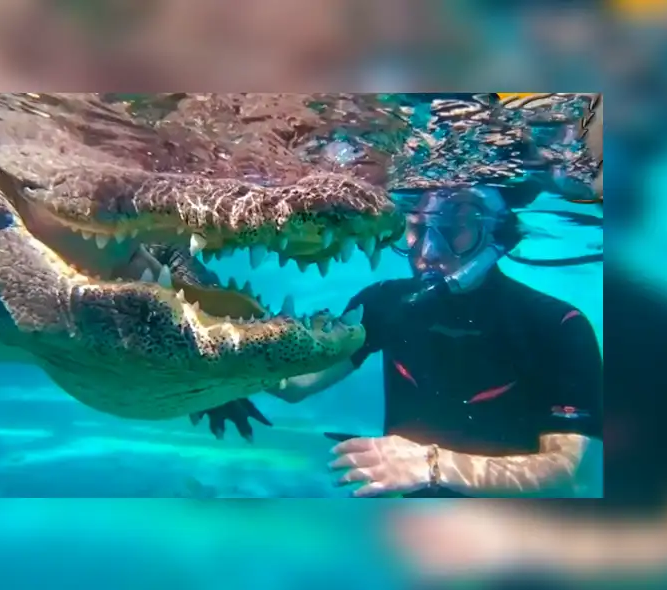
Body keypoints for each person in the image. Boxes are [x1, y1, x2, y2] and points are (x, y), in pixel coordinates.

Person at [202, 183, 604, 498]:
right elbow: (296, 385)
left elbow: (571, 475)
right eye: (417, 230)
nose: (428, 252)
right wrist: (215, 356)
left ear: (497, 237)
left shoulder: (557, 325)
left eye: (454, 231)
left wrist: (432, 465)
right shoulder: (383, 303)